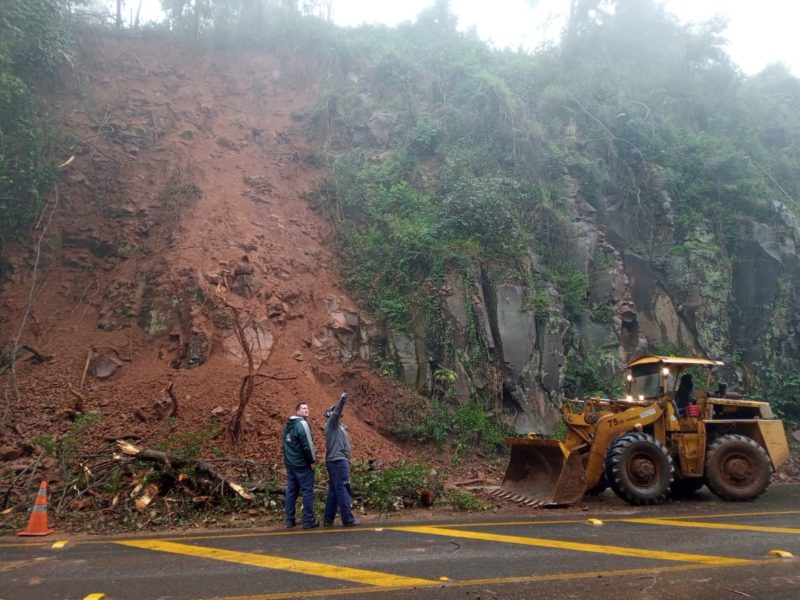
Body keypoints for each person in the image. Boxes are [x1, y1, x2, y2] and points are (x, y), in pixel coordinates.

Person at [323, 392, 359, 527]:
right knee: (344, 489)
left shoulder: (337, 427)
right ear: (330, 415)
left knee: (334, 491)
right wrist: (342, 401)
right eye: (337, 415)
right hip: (338, 461)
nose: (340, 417)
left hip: (336, 461)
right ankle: (348, 519)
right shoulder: (331, 424)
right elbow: (336, 413)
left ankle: (328, 519)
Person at [283, 402, 318, 529]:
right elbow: (308, 445)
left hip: (291, 465)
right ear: (297, 411)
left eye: (307, 408)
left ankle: (290, 520)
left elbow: (286, 445)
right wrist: (312, 461)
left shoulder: (288, 425)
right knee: (307, 492)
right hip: (302, 465)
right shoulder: (302, 423)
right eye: (303, 408)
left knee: (291, 492)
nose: (306, 410)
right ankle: (308, 520)